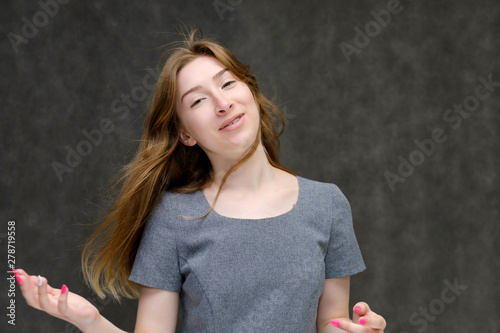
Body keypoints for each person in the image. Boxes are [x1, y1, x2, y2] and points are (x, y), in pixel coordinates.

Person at [15, 28, 387, 333]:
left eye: (227, 84)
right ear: (185, 134)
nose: (222, 103)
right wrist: (90, 321)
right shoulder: (173, 217)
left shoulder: (327, 204)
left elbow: (331, 324)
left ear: (251, 94)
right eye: (197, 101)